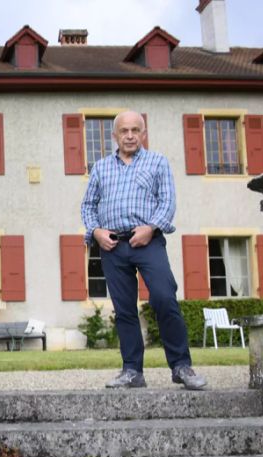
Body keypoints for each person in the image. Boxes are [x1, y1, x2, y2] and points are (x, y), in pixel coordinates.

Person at [81, 110, 207, 391]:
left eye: (135, 130)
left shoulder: (158, 162)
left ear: (143, 133)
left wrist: (151, 228)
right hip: (112, 245)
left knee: (164, 299)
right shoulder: (100, 167)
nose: (129, 135)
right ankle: (132, 371)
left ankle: (181, 366)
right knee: (124, 310)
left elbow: (167, 202)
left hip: (148, 242)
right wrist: (96, 232)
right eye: (124, 131)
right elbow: (88, 206)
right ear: (115, 136)